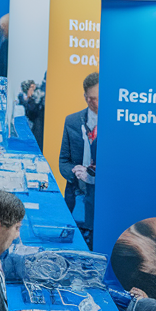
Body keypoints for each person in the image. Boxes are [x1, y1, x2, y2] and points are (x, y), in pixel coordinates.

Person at [58, 71, 98, 236]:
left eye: (95, 97)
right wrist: (76, 173)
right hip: (75, 198)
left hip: (99, 202)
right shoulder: (72, 121)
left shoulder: (115, 125)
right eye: (87, 97)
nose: (91, 101)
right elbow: (63, 161)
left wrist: (94, 178)